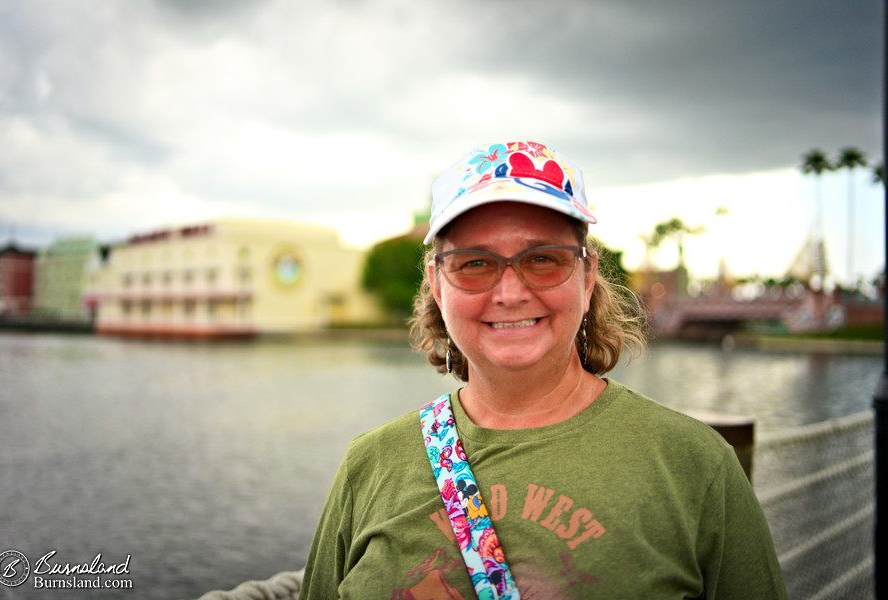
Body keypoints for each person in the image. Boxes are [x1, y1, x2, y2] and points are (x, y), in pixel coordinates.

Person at [300, 140, 788, 599]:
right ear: (436, 283)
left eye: (543, 259)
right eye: (474, 263)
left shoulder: (695, 465)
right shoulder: (369, 466)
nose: (510, 293)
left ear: (588, 274)